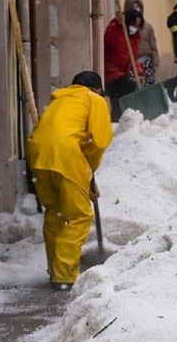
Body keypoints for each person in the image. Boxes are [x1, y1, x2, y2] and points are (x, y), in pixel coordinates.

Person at [26, 71, 113, 291]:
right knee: (80, 216)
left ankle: (55, 269)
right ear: (96, 89)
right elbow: (101, 141)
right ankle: (65, 275)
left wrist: (86, 175)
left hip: (37, 153)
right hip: (64, 153)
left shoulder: (60, 99)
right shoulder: (94, 100)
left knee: (54, 211)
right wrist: (88, 170)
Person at [103, 8, 142, 121]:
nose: (135, 27)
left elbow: (133, 58)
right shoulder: (115, 30)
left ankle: (120, 118)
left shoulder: (134, 38)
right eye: (134, 24)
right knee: (125, 88)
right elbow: (108, 39)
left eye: (138, 25)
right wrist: (118, 23)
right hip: (110, 71)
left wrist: (139, 72)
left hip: (121, 72)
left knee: (128, 88)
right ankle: (117, 119)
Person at [124, 0, 160, 87]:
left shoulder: (147, 27)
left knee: (148, 86)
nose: (136, 10)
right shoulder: (124, 28)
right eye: (133, 7)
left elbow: (153, 47)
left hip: (146, 62)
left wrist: (155, 63)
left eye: (138, 7)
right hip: (132, 64)